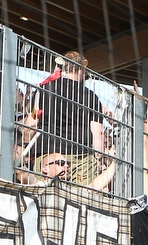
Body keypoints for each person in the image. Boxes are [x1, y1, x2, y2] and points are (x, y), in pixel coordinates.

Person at [32, 51, 105, 186]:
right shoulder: (90, 96)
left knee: (42, 196)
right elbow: (98, 132)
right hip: (79, 156)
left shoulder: (44, 88)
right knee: (82, 200)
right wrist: (98, 159)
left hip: (47, 153)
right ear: (81, 70)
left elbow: (32, 122)